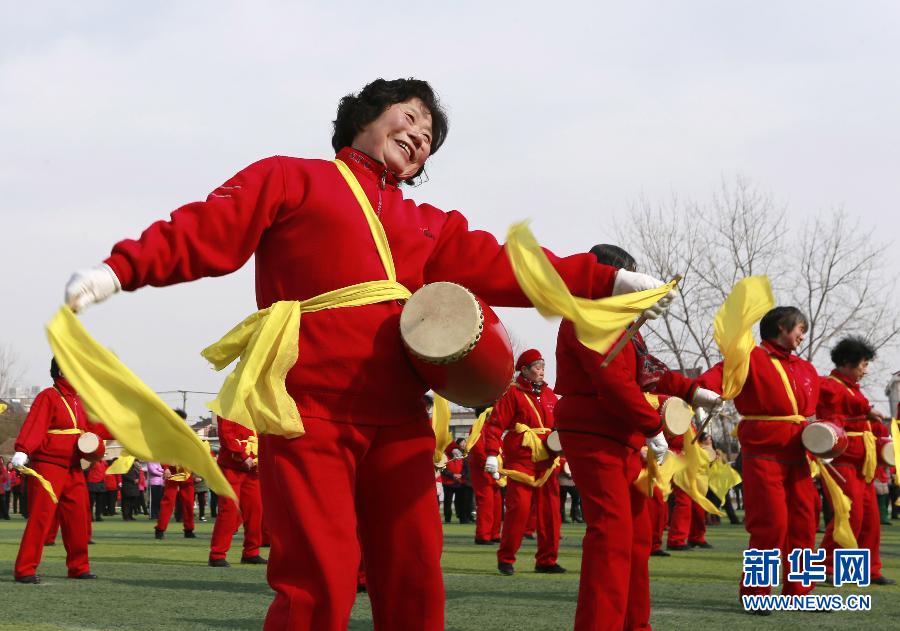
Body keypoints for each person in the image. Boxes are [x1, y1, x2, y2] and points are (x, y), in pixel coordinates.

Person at [63, 78, 669, 630]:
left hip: (401, 417)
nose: (419, 137)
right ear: (364, 118)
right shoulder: (292, 178)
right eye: (409, 118)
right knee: (318, 580)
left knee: (415, 578)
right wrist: (121, 269)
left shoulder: (429, 224)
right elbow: (206, 228)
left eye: (430, 138)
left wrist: (605, 282)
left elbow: (515, 265)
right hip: (308, 410)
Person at [554, 244, 718, 631]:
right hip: (596, 431)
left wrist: (693, 391)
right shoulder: (589, 316)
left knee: (637, 536)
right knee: (612, 535)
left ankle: (634, 623)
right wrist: (653, 426)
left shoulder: (620, 323)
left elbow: (649, 371)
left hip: (621, 433)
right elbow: (614, 382)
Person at [697, 306, 820, 604]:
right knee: (771, 526)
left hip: (800, 456)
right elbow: (710, 381)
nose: (802, 336)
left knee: (804, 524)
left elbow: (827, 405)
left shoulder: (806, 369)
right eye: (800, 329)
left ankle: (800, 593)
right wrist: (700, 393)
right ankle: (756, 593)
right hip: (763, 455)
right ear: (782, 327)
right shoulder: (750, 358)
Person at [10, 358, 111, 583]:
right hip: (48, 465)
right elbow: (35, 424)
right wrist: (22, 450)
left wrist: (127, 430)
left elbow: (98, 428)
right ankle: (25, 569)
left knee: (78, 518)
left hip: (74, 468)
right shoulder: (48, 395)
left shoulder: (81, 400)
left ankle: (79, 566)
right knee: (40, 517)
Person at [816, 336, 895, 585]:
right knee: (849, 516)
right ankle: (826, 566)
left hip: (863, 466)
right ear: (847, 363)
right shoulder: (830, 385)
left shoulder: (852, 390)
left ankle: (867, 569)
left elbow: (858, 411)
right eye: (863, 364)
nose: (865, 370)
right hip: (842, 462)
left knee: (870, 520)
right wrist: (866, 411)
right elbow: (844, 408)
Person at [483, 349, 565, 575]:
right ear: (525, 370)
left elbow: (560, 429)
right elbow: (495, 426)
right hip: (521, 461)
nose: (541, 371)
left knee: (551, 513)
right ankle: (506, 558)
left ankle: (547, 560)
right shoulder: (512, 394)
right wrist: (492, 453)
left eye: (543, 366)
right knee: (518, 511)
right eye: (536, 367)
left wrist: (565, 456)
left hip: (548, 461)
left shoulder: (550, 395)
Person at [208, 415, 266, 567]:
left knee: (256, 510)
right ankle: (217, 555)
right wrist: (242, 455)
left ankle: (251, 552)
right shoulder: (227, 407)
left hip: (253, 469)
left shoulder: (255, 408)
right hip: (231, 467)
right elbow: (226, 435)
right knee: (229, 510)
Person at [154, 410, 197, 539]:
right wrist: (165, 467)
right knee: (168, 502)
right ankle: (160, 530)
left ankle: (189, 530)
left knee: (189, 503)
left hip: (187, 473)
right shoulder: (167, 435)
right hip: (172, 473)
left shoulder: (189, 434)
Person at [467, 407, 503, 545]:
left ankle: (494, 533)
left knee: (497, 503)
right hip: (482, 470)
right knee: (486, 503)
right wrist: (490, 465)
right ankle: (483, 535)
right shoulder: (478, 428)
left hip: (493, 470)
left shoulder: (491, 428)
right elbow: (478, 450)